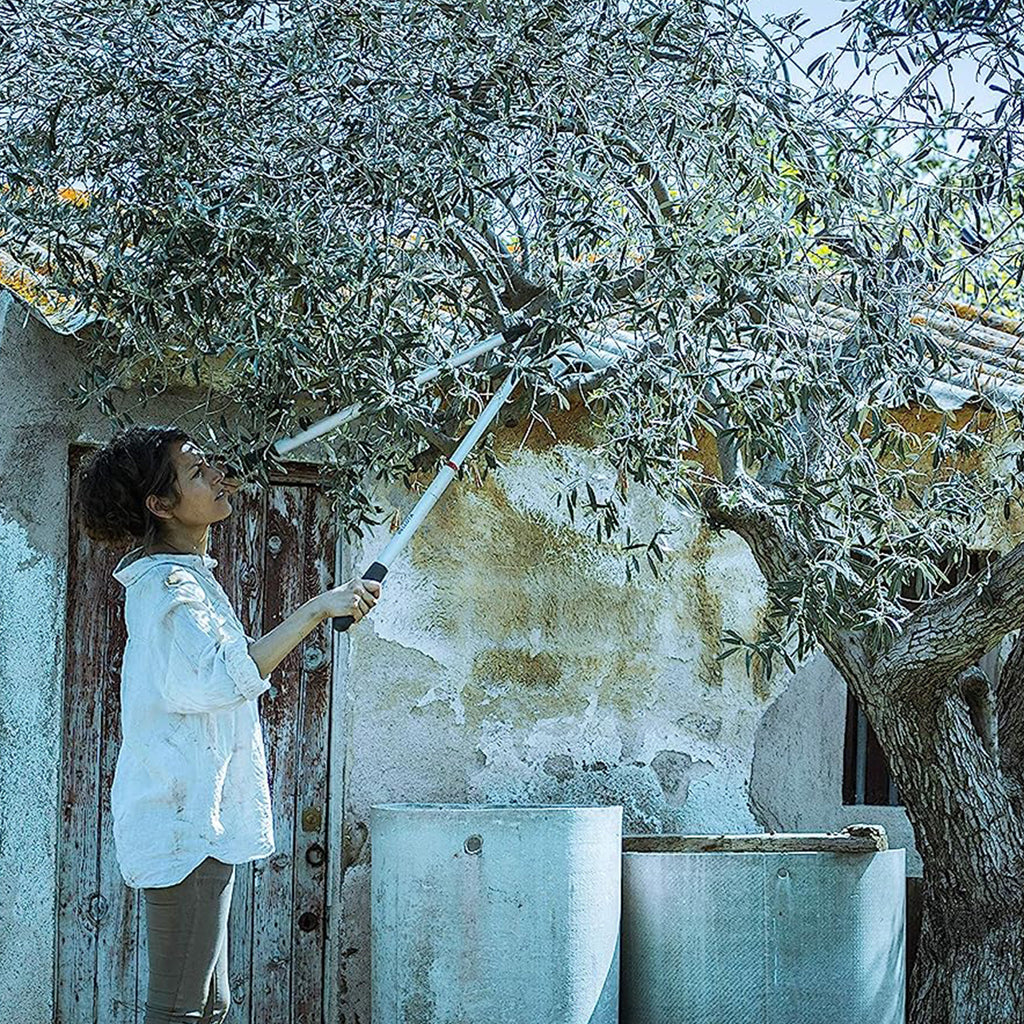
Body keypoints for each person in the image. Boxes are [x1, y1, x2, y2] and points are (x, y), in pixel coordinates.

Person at [75, 425, 381, 1024]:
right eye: (197, 473)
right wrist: (318, 608)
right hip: (185, 823)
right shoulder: (170, 590)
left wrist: (214, 479)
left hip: (198, 818)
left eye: (210, 465)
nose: (216, 477)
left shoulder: (185, 576)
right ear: (160, 505)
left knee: (211, 1004)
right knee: (181, 1010)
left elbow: (224, 669)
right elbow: (223, 676)